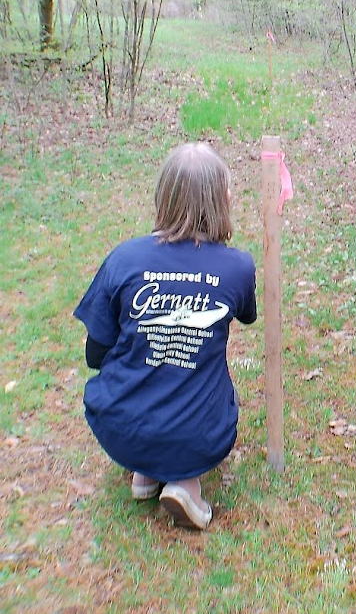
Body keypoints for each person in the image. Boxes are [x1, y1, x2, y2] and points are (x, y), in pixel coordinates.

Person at [74, 142, 257, 530]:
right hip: (199, 434)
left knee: (148, 387)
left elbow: (96, 353)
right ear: (222, 200)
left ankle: (145, 471)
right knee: (196, 387)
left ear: (164, 196)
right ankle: (185, 485)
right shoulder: (237, 267)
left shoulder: (123, 259)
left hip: (120, 426)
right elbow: (248, 315)